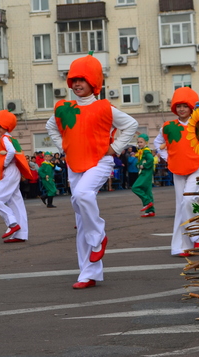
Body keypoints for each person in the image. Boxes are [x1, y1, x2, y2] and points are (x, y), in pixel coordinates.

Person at [46, 54, 138, 288]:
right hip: (74, 163)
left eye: (82, 80)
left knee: (83, 195)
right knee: (80, 216)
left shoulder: (104, 106)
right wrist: (64, 147)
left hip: (100, 161)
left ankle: (99, 237)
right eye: (74, 80)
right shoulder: (64, 108)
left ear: (94, 83)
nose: (77, 84)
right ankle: (88, 273)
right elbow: (50, 127)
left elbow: (131, 125)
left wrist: (115, 148)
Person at [154, 87, 199, 257]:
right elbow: (158, 143)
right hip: (177, 169)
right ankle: (181, 246)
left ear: (192, 106)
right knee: (180, 205)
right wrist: (167, 157)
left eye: (185, 105)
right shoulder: (168, 126)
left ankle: (198, 234)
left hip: (197, 167)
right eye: (178, 106)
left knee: (189, 200)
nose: (181, 109)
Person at [0, 110, 31, 243]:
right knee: (16, 202)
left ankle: (12, 223)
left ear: (6, 126)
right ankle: (21, 234)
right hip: (15, 171)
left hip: (10, 171)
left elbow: (12, 152)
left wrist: (5, 163)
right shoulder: (12, 138)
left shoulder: (5, 138)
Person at [132, 134, 155, 217]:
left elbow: (151, 159)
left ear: (146, 142)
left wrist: (144, 166)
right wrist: (138, 164)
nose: (139, 143)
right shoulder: (142, 151)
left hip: (145, 172)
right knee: (147, 190)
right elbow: (141, 161)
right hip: (146, 172)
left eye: (141, 142)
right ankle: (150, 211)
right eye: (138, 142)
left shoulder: (146, 151)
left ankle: (147, 202)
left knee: (135, 187)